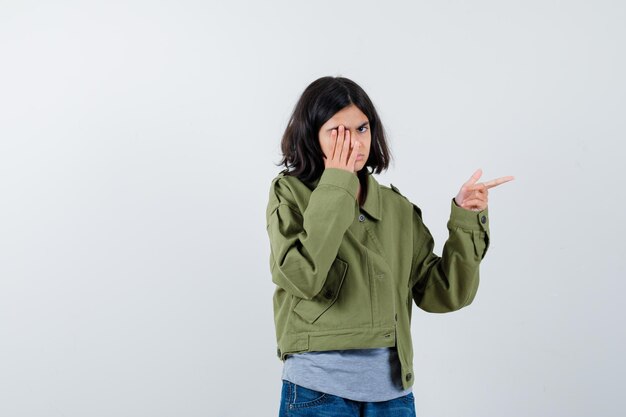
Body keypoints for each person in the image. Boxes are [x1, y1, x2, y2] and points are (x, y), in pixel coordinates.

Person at [265, 76, 513, 417]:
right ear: (312, 136)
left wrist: (466, 221)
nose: (353, 142)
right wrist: (338, 182)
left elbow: (443, 294)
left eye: (362, 128)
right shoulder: (290, 194)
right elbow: (303, 277)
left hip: (393, 396)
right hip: (317, 393)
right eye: (337, 131)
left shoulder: (396, 208)